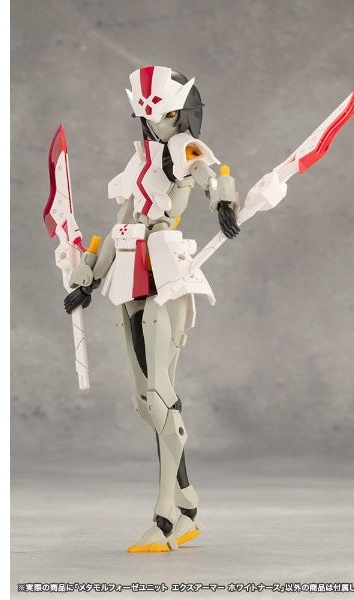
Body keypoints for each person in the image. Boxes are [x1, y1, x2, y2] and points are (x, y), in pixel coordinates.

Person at [64, 65, 239, 552]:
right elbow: (121, 220)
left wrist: (223, 200)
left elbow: (207, 172)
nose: (155, 123)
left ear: (180, 113)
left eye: (162, 115)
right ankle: (188, 503)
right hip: (127, 270)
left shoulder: (184, 148)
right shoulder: (139, 159)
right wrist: (88, 276)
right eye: (148, 117)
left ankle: (165, 517)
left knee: (160, 395)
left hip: (163, 270)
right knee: (146, 400)